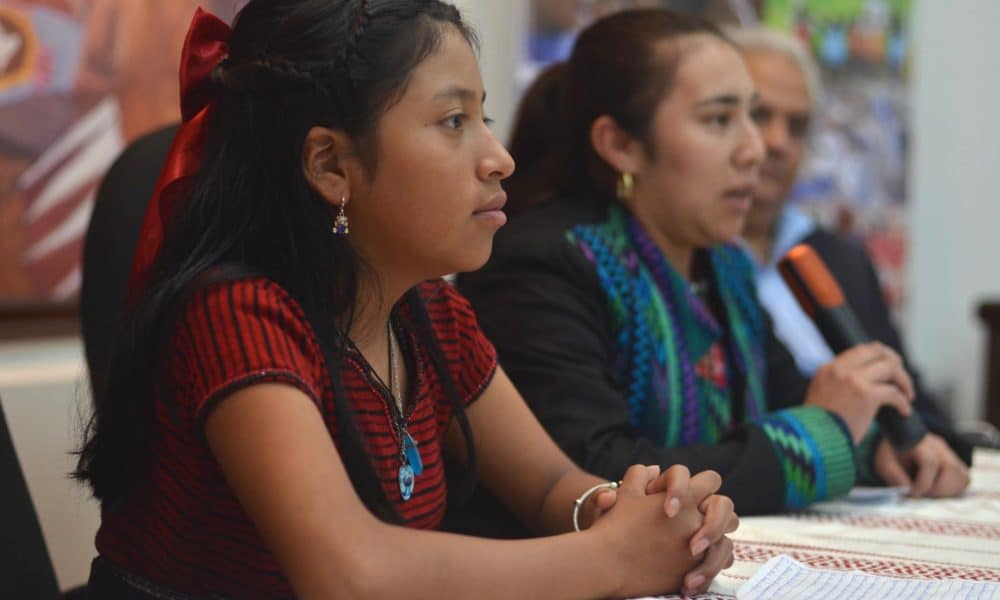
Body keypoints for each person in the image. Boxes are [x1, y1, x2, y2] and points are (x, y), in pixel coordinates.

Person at [73, 2, 738, 598]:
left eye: (485, 117)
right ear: (331, 165)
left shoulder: (433, 316)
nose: (499, 157)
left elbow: (546, 488)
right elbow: (348, 573)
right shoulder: (236, 314)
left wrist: (636, 514)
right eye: (453, 121)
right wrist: (612, 560)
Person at [447, 9, 919, 538]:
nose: (756, 150)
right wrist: (823, 436)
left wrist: (883, 447)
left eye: (752, 116)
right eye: (719, 120)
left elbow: (792, 396)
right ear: (621, 145)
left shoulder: (724, 265)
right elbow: (602, 469)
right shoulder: (541, 263)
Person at [728, 27, 971, 496]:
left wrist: (925, 443)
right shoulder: (695, 261)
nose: (777, 142)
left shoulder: (839, 257)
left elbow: (909, 395)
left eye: (797, 125)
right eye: (759, 116)